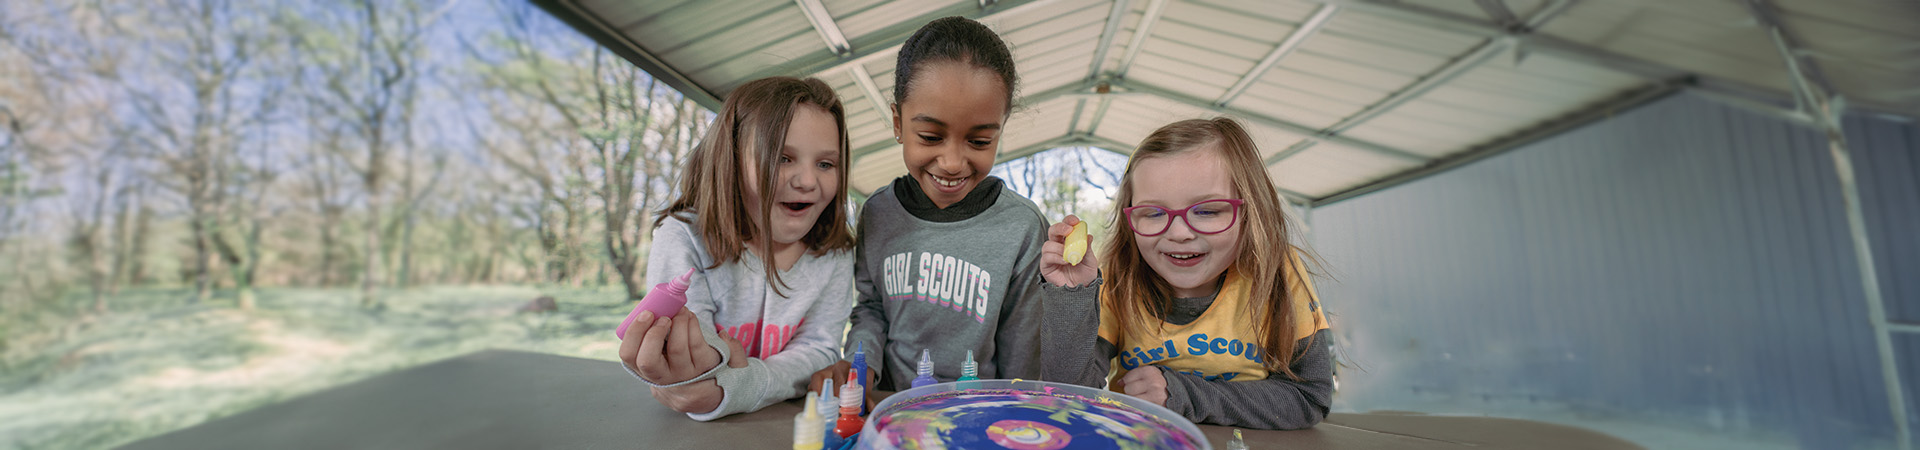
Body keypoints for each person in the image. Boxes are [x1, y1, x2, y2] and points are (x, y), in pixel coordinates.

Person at [1037, 117, 1334, 430]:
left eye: (1207, 211)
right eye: (1152, 213)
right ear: (1130, 216)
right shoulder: (1117, 281)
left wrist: (1182, 394)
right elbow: (1068, 394)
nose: (1179, 233)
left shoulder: (1277, 273)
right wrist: (1070, 297)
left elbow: (1310, 397)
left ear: (1250, 211)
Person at [808, 16, 1046, 399]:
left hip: (977, 416)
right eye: (931, 136)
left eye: (980, 141)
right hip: (886, 407)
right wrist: (860, 366)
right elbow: (870, 309)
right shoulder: (877, 213)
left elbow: (1022, 355)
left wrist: (1016, 412)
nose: (952, 161)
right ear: (898, 123)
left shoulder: (1022, 228)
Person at [619, 76, 857, 420]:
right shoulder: (683, 237)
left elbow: (819, 349)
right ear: (729, 159)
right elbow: (688, 360)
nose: (807, 181)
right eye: (782, 157)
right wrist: (712, 373)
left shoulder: (834, 252)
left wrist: (738, 383)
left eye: (825, 164)